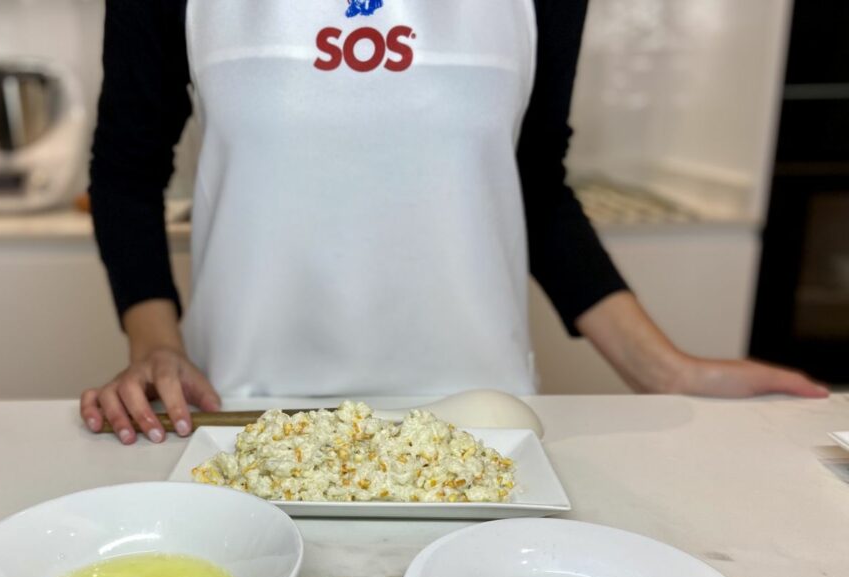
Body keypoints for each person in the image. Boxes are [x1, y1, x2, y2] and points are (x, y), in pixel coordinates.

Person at [82, 0, 827, 445]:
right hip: (242, 414)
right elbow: (126, 168)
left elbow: (532, 181)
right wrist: (156, 349)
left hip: (484, 427)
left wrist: (666, 370)